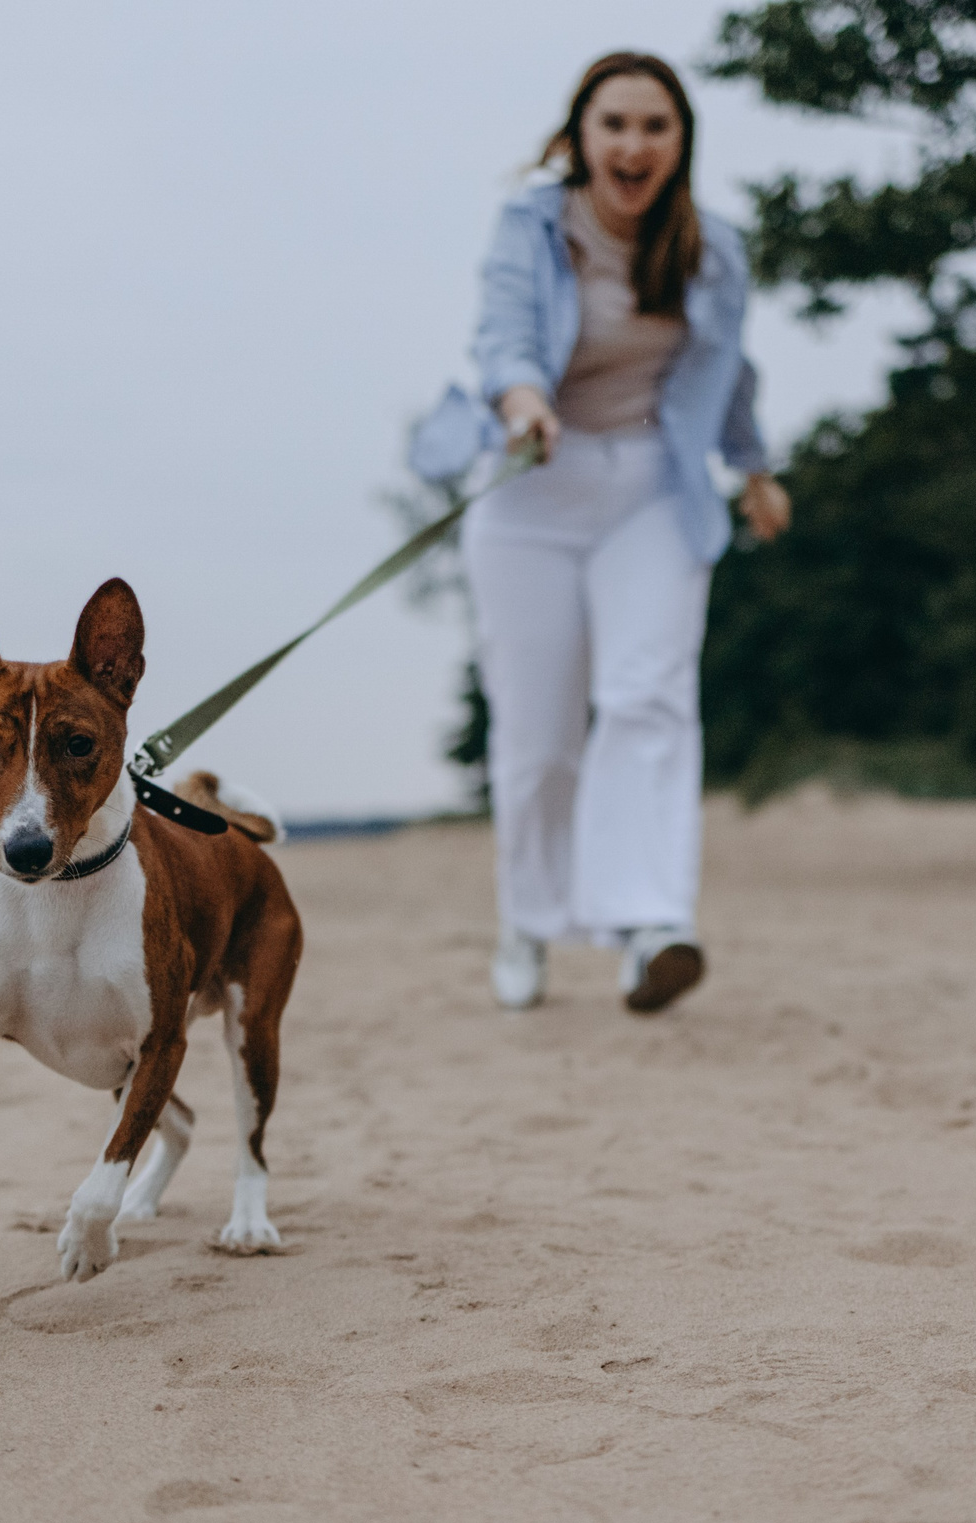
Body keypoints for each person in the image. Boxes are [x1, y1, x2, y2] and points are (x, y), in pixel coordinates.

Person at [409, 50, 790, 1015]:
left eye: (654, 127)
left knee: (647, 697)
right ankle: (528, 923)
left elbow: (725, 372)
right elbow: (503, 339)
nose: (633, 144)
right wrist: (526, 401)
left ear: (680, 143)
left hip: (654, 488)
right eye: (614, 124)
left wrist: (753, 467)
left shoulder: (716, 247)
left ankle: (650, 924)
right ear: (580, 134)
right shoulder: (532, 225)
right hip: (533, 481)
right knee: (538, 737)